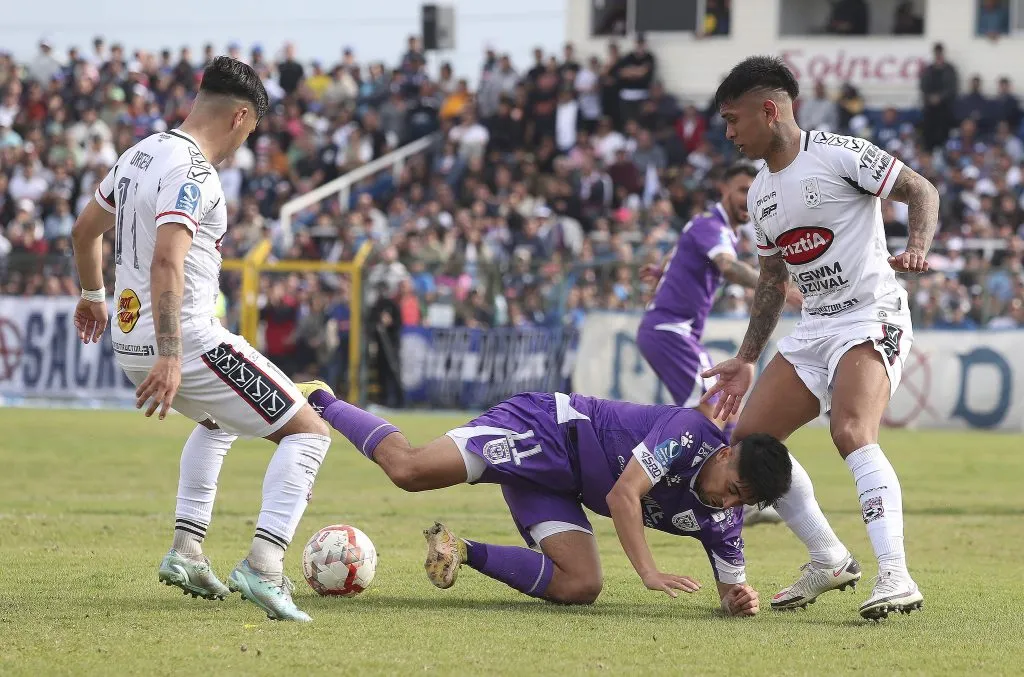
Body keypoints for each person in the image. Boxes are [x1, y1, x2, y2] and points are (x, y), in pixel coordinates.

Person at [70, 56, 331, 622]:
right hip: (186, 344)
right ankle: (264, 565)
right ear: (240, 117)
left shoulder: (139, 153)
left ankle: (187, 551)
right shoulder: (195, 172)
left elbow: (85, 231)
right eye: (251, 131)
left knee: (219, 423)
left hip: (130, 341)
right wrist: (172, 355)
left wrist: (92, 295)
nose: (244, 143)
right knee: (310, 434)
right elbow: (167, 259)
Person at [705, 56, 938, 620]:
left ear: (770, 109)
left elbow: (920, 189)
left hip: (870, 313)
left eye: (733, 120)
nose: (729, 133)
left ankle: (896, 575)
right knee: (752, 443)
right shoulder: (761, 193)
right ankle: (829, 558)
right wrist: (746, 357)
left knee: (851, 430)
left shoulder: (840, 154)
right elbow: (771, 281)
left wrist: (917, 247)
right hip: (815, 327)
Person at [295, 381, 793, 616]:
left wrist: (739, 600)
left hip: (562, 486)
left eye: (742, 502)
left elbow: (731, 591)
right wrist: (649, 571)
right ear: (725, 454)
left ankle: (459, 549)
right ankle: (320, 399)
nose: (728, 504)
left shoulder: (724, 519)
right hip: (546, 431)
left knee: (581, 585)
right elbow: (624, 495)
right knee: (409, 470)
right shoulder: (689, 434)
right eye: (732, 488)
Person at [637, 163, 799, 525]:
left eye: (752, 193)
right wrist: (779, 288)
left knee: (722, 406)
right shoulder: (713, 227)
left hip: (672, 331)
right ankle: (683, 489)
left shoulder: (708, 227)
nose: (747, 199)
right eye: (741, 190)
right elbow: (727, 267)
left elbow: (681, 254)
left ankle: (721, 492)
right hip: (670, 330)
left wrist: (663, 272)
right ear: (723, 188)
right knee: (711, 410)